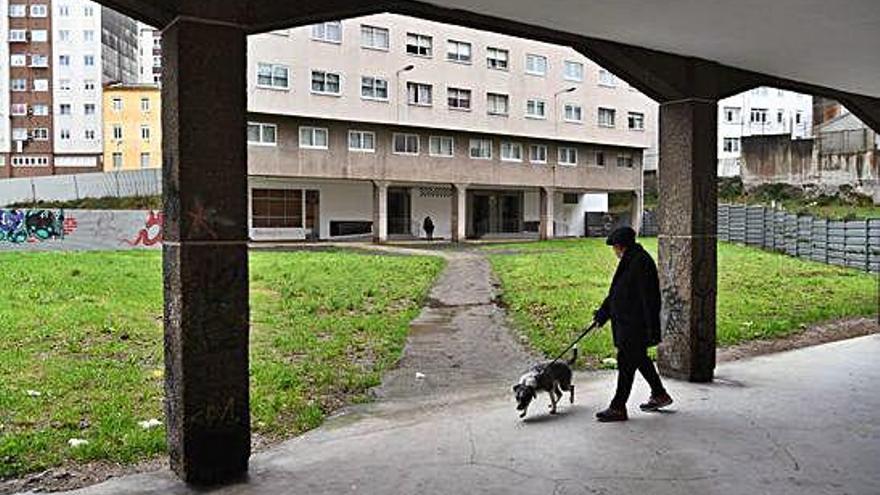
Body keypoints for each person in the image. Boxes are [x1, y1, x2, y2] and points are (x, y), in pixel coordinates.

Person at [593, 226, 672, 422]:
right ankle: (660, 394)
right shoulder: (631, 261)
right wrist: (603, 314)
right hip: (627, 324)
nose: (614, 252)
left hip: (634, 326)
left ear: (621, 246)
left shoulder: (640, 262)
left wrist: (650, 329)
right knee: (640, 360)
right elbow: (617, 293)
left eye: (615, 248)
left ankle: (618, 407)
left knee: (626, 364)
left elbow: (650, 299)